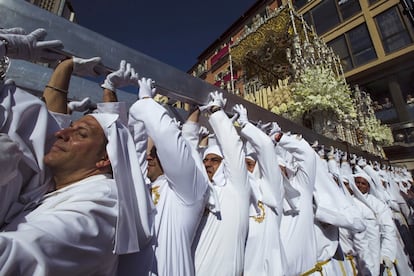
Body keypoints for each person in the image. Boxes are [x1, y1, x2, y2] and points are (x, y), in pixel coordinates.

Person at [0, 112, 153, 275]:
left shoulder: (103, 204)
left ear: (105, 158)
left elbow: (22, 257)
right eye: (69, 127)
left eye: (81, 134)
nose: (61, 133)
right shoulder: (50, 185)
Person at [121, 77, 209, 275]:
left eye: (155, 153)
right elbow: (135, 154)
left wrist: (146, 102)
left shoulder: (187, 193)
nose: (149, 158)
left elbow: (170, 139)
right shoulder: (142, 186)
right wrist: (139, 116)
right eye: (149, 154)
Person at [192, 91, 250, 275]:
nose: (207, 163)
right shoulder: (199, 193)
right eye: (206, 160)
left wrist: (216, 113)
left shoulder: (236, 191)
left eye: (214, 160)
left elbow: (233, 148)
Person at [233, 104, 287, 275]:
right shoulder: (235, 193)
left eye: (248, 164)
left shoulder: (270, 190)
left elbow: (265, 150)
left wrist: (246, 126)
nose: (245, 169)